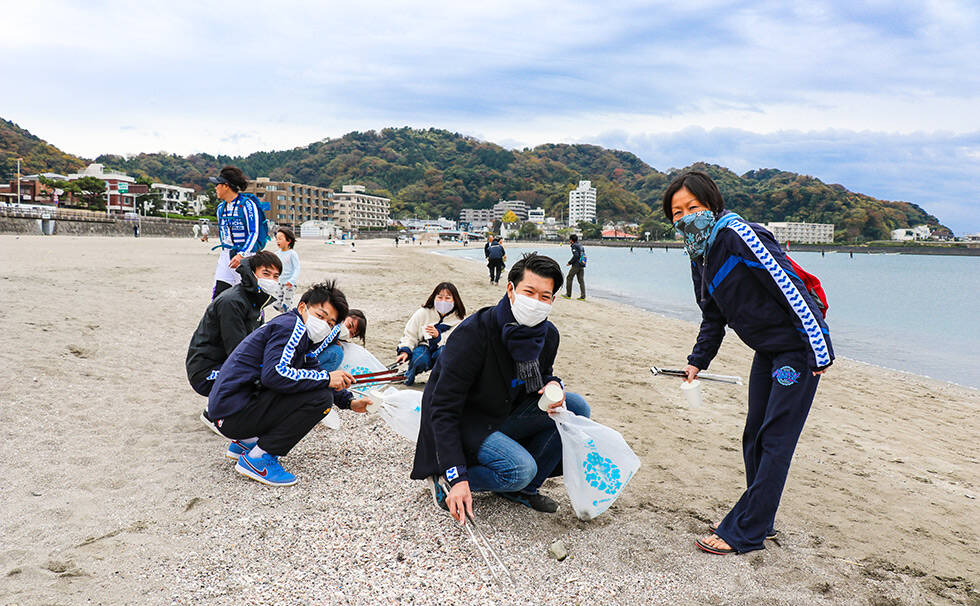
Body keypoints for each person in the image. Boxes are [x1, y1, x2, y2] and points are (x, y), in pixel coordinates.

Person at [663, 170, 834, 556]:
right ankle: (762, 518)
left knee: (775, 439)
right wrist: (697, 362)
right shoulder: (700, 254)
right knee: (754, 434)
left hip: (797, 349)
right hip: (767, 350)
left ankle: (748, 530)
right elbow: (713, 315)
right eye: (676, 212)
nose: (685, 216)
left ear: (712, 205)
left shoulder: (738, 235)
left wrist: (820, 348)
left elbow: (788, 287)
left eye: (693, 206)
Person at [410, 254, 592, 521]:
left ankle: (521, 490)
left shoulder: (548, 335)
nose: (535, 302)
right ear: (510, 289)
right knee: (520, 469)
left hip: (503, 412)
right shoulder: (474, 333)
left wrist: (553, 383)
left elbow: (542, 376)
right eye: (529, 292)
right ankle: (448, 482)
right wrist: (456, 474)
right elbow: (441, 406)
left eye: (545, 297)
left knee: (575, 406)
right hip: (467, 421)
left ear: (553, 300)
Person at [205, 281, 371, 486]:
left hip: (227, 410)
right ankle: (259, 459)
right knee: (321, 399)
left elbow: (314, 371)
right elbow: (275, 375)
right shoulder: (292, 328)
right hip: (231, 413)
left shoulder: (298, 332)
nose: (323, 325)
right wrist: (328, 378)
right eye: (320, 316)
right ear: (303, 307)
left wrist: (350, 402)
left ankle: (245, 443)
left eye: (330, 323)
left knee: (315, 386)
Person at [186, 251, 283, 399]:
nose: (271, 280)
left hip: (226, 362)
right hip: (206, 371)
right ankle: (218, 412)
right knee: (266, 382)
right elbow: (237, 350)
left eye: (276, 276)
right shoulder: (232, 302)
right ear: (252, 273)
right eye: (266, 273)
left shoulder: (256, 301)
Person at [210, 166, 265, 300]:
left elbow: (254, 232)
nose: (215, 188)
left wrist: (241, 254)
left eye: (218, 184)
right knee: (219, 295)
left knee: (249, 295)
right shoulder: (220, 208)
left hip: (246, 257)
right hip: (226, 257)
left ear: (226, 186)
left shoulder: (247, 205)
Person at [395, 283, 466, 386]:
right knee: (419, 359)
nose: (443, 301)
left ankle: (439, 382)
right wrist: (405, 350)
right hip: (424, 345)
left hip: (444, 349)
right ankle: (408, 375)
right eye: (440, 297)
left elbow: (457, 343)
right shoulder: (423, 313)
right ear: (434, 298)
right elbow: (410, 335)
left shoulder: (459, 320)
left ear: (455, 300)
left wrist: (438, 337)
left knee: (442, 355)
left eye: (447, 298)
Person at [273, 228, 300, 313]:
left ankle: (286, 315)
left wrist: (292, 280)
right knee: (276, 304)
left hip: (289, 284)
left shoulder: (292, 254)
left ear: (288, 241)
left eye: (280, 239)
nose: (278, 241)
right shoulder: (276, 254)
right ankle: (285, 314)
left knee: (286, 304)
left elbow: (297, 268)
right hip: (279, 282)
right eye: (276, 239)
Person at [563, 234, 586, 300]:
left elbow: (576, 255)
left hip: (576, 265)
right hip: (582, 264)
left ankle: (568, 294)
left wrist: (569, 262)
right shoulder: (580, 245)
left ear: (571, 240)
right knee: (581, 280)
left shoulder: (574, 246)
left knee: (569, 278)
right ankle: (583, 296)